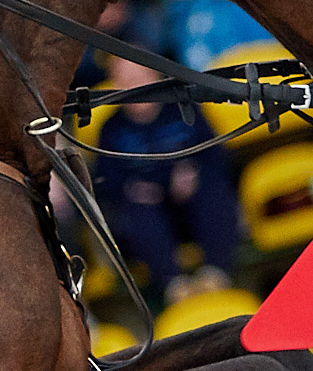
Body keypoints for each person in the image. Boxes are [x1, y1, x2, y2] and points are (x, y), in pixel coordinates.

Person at [91, 57, 242, 303]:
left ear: (155, 76)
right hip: (148, 212)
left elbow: (217, 156)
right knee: (136, 213)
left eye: (139, 78)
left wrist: (192, 173)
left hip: (193, 200)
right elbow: (104, 180)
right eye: (125, 81)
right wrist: (133, 188)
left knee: (213, 192)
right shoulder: (111, 128)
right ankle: (173, 284)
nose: (134, 88)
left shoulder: (184, 108)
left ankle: (216, 272)